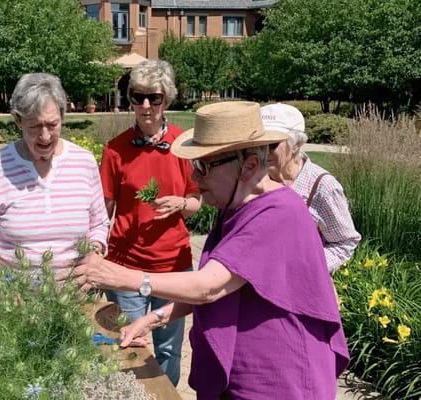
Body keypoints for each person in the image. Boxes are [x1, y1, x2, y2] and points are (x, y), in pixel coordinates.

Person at [63, 101, 350, 399]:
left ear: (250, 166)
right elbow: (228, 285)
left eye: (204, 166)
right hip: (247, 373)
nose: (195, 179)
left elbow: (209, 287)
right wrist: (154, 318)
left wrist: (121, 276)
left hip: (277, 379)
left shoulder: (278, 213)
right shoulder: (238, 205)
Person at [99, 59, 202, 386]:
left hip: (173, 265)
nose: (145, 105)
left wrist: (181, 203)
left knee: (169, 348)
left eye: (153, 98)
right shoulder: (114, 151)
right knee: (131, 345)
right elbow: (104, 212)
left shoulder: (184, 146)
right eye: (137, 97)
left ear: (167, 100)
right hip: (127, 267)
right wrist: (98, 262)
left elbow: (197, 202)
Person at [0, 72, 109, 276]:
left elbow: (98, 225)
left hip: (75, 292)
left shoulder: (84, 161)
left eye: (52, 125)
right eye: (34, 126)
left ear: (63, 116)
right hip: (12, 294)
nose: (44, 136)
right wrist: (1, 285)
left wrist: (95, 253)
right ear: (18, 121)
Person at [261, 103, 361, 272]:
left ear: (296, 145)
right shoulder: (254, 180)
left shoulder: (322, 187)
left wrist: (307, 267)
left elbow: (345, 242)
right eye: (258, 144)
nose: (263, 152)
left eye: (272, 145)